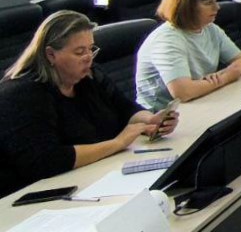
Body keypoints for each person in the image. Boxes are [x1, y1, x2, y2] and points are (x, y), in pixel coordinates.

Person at [0, 11, 179, 197]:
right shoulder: (22, 94)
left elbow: (124, 107)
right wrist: (117, 143)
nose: (88, 58)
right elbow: (47, 161)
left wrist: (150, 120)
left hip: (94, 175)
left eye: (91, 49)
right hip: (37, 193)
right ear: (51, 55)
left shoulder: (88, 75)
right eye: (79, 52)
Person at [135, 0, 241, 108]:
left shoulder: (210, 28)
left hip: (198, 101)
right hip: (163, 114)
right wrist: (226, 77)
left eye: (215, 1)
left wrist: (224, 76)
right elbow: (183, 92)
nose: (217, 7)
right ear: (186, 7)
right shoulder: (166, 40)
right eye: (208, 3)